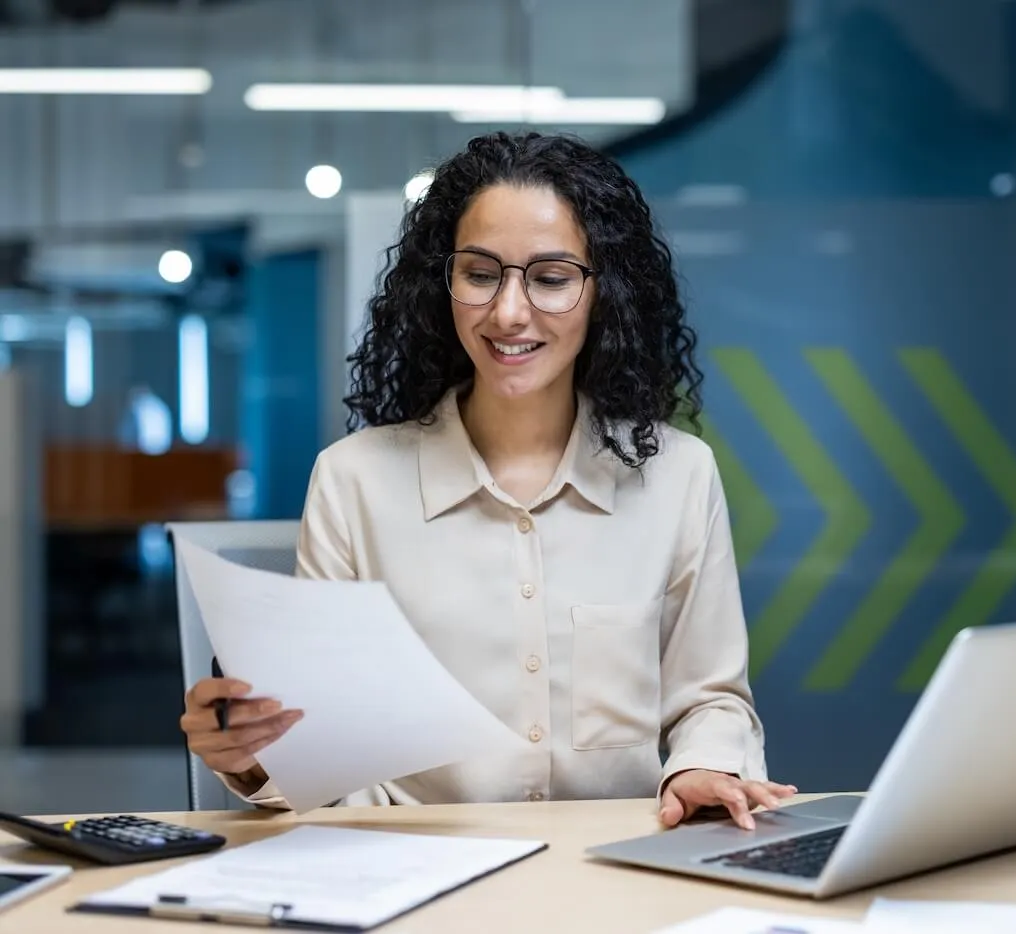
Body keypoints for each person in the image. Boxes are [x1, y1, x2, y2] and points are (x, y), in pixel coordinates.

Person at [179, 131, 794, 830]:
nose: (508, 312)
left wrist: (702, 766)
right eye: (480, 273)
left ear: (605, 293)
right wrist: (249, 754)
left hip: (617, 874)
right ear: (443, 285)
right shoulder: (352, 482)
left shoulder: (678, 475)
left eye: (551, 277)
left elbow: (711, 698)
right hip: (413, 878)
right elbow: (324, 747)